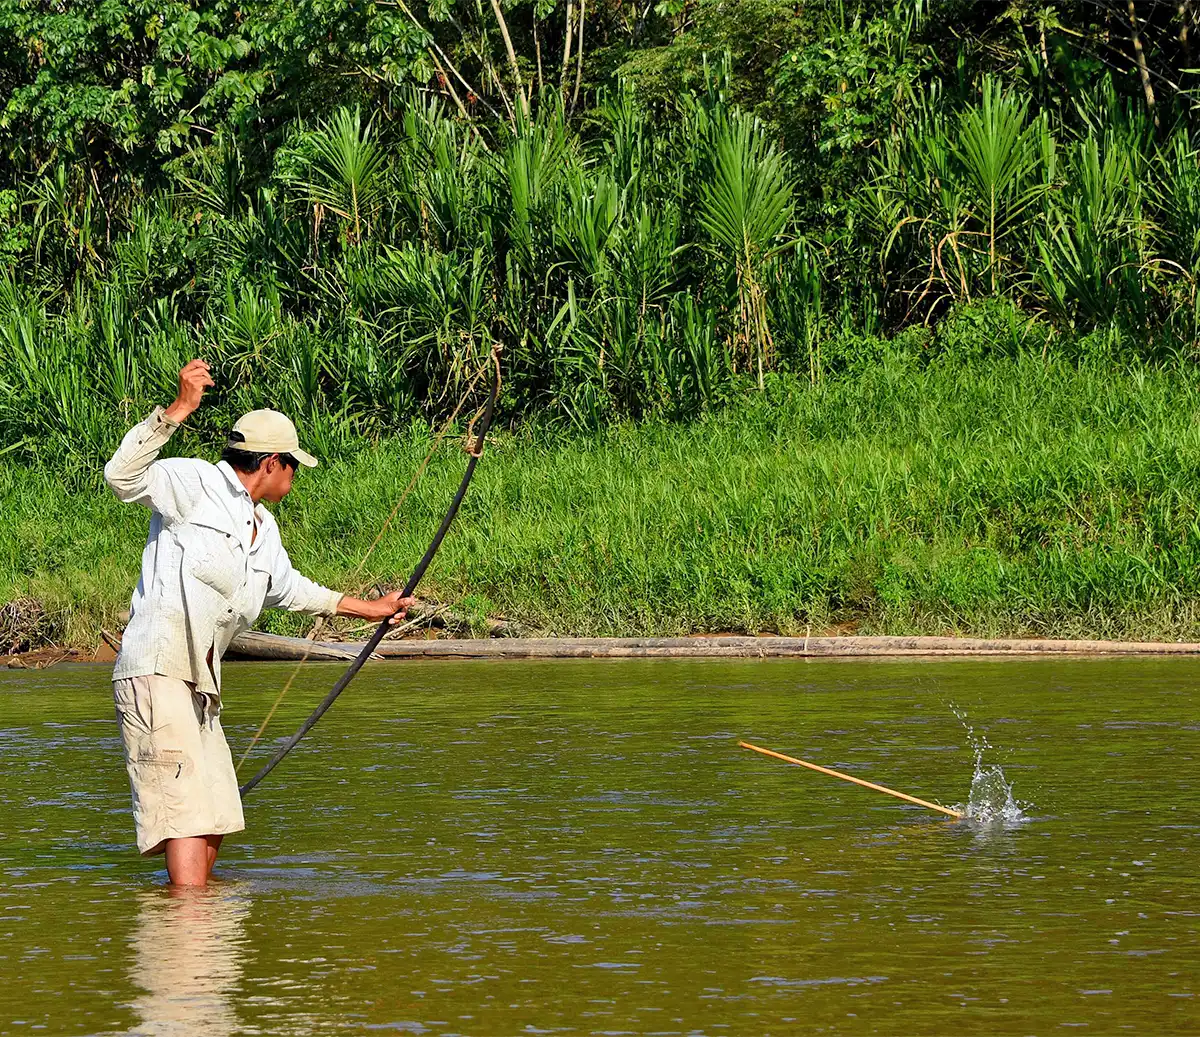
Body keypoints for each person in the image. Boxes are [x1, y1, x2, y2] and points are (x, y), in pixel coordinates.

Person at [104, 359, 413, 887]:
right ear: (271, 463)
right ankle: (189, 920)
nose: (294, 475)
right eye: (292, 465)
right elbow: (121, 476)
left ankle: (193, 926)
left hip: (200, 683)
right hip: (157, 669)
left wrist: (371, 610)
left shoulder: (261, 527)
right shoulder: (196, 482)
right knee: (185, 815)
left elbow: (291, 589)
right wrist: (177, 411)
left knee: (218, 810)